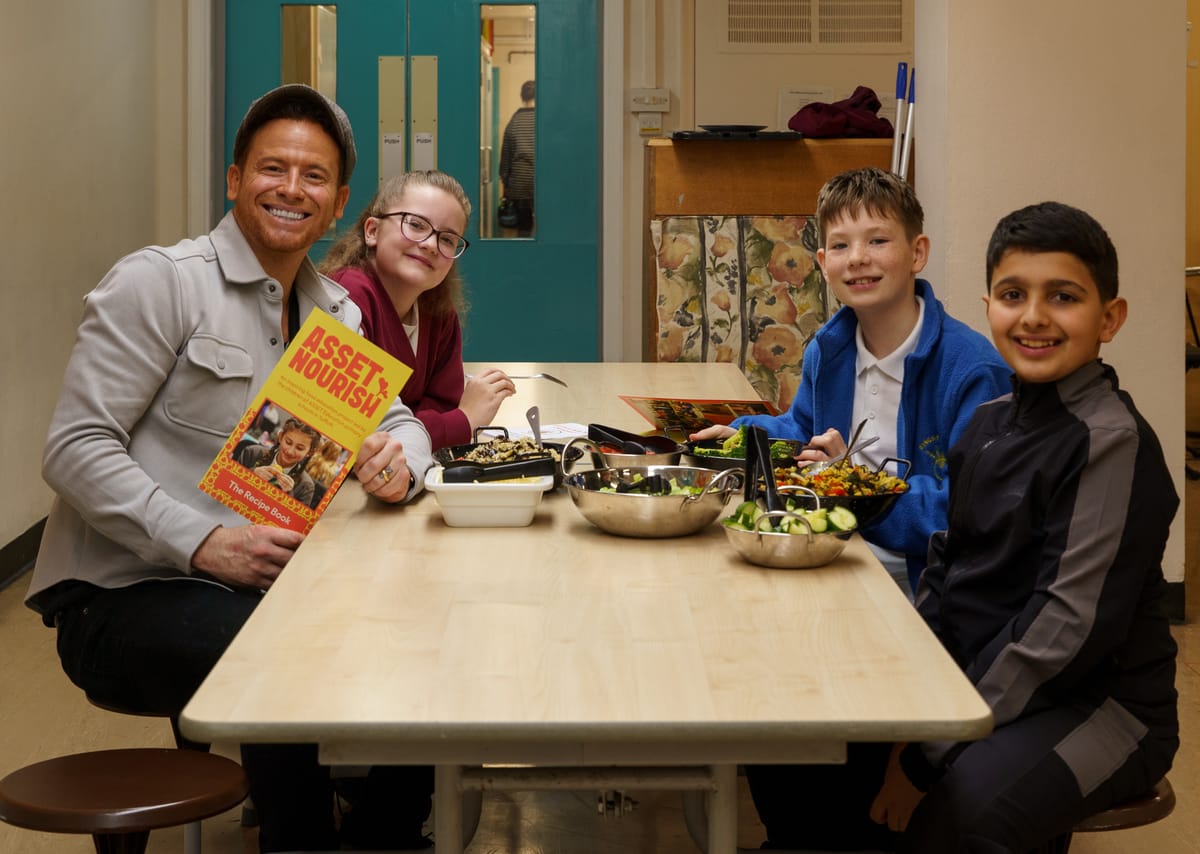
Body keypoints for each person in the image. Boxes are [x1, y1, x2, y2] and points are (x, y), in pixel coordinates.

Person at [24, 84, 435, 852]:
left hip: (259, 591)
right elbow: (74, 448)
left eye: (313, 176)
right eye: (271, 168)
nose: (290, 188)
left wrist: (397, 460)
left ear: (339, 201)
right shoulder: (161, 283)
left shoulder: (331, 313)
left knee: (412, 631)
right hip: (118, 598)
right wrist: (203, 543)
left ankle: (385, 831)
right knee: (279, 652)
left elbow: (403, 423)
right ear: (234, 180)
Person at [750, 201, 1179, 852]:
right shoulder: (990, 423)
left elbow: (1060, 633)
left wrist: (926, 750)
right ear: (989, 306)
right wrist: (911, 698)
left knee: (966, 809)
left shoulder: (1110, 442)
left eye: (1062, 296)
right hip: (989, 679)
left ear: (1109, 318)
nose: (1034, 315)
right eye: (1014, 294)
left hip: (1099, 707)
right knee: (813, 752)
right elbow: (947, 569)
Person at [692, 166, 1009, 596]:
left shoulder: (973, 371)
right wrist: (742, 436)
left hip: (922, 583)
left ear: (917, 253)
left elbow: (966, 511)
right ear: (823, 264)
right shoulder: (829, 349)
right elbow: (805, 433)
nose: (858, 257)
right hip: (834, 548)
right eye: (841, 245)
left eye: (877, 240)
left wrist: (852, 484)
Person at [320, 171, 515, 450]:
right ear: (372, 231)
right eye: (415, 225)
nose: (430, 244)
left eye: (447, 239)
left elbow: (441, 404)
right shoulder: (346, 299)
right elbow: (362, 431)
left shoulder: (438, 311)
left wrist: (439, 423)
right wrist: (465, 419)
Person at [235, 417, 321, 508]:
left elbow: (293, 520)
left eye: (299, 448)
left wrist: (288, 496)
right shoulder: (252, 453)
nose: (290, 451)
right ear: (280, 437)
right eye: (288, 442)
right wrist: (252, 473)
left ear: (310, 452)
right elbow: (225, 481)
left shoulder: (306, 486)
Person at [499, 79, 536, 236]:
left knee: (524, 229)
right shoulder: (544, 120)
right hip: (543, 182)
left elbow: (506, 158)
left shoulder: (514, 122)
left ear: (522, 96)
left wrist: (506, 182)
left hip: (519, 184)